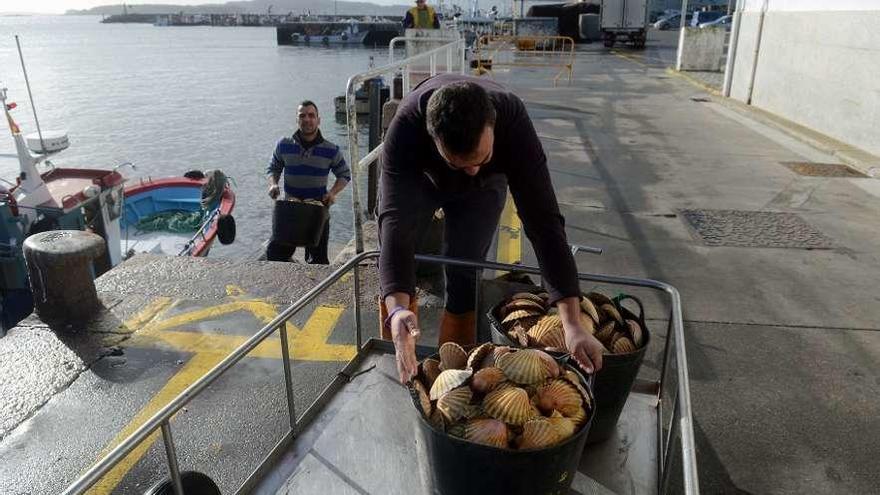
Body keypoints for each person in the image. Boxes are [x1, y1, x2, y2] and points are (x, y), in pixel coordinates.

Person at [378, 74, 605, 383]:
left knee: (465, 267)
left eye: (480, 157)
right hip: (425, 179)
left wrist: (573, 325)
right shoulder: (406, 128)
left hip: (485, 188)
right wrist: (397, 309)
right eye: (460, 164)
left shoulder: (513, 123)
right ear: (433, 139)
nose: (471, 170)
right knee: (402, 260)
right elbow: (395, 222)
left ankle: (455, 371)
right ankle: (397, 341)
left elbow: (545, 223)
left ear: (493, 125)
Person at [266, 100, 350, 264]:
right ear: (297, 120)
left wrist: (332, 193)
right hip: (290, 208)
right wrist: (273, 184)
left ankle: (314, 287)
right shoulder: (283, 145)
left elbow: (344, 174)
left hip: (317, 211)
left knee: (317, 261)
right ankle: (291, 281)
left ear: (318, 120)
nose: (307, 119)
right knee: (274, 254)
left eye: (311, 115)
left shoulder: (331, 150)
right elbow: (273, 167)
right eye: (302, 116)